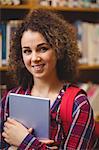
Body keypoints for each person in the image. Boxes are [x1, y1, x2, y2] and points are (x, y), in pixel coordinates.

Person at [0, 9, 98, 150]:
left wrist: (24, 141)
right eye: (27, 51)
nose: (34, 58)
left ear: (58, 50)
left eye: (42, 49)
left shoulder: (78, 105)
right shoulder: (9, 100)